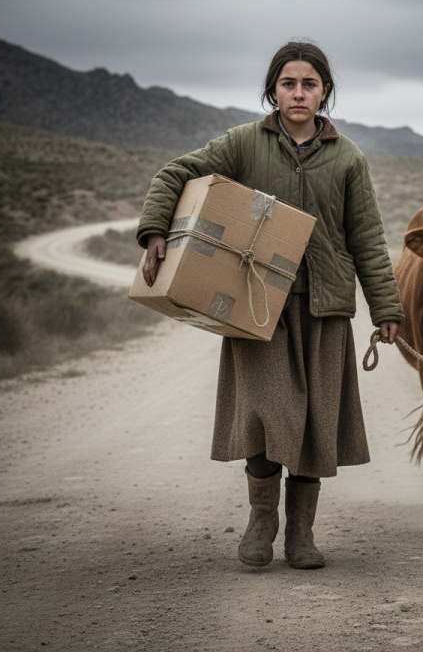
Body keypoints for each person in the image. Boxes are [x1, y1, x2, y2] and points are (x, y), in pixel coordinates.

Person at [136, 41, 402, 569]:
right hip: (257, 305)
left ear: (325, 91)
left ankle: (301, 535)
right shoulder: (243, 144)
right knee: (261, 415)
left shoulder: (348, 157)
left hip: (324, 308)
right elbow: (174, 173)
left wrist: (386, 308)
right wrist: (154, 231)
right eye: (288, 83)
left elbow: (366, 237)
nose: (298, 93)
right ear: (272, 90)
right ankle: (262, 524)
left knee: (311, 423)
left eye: (309, 84)